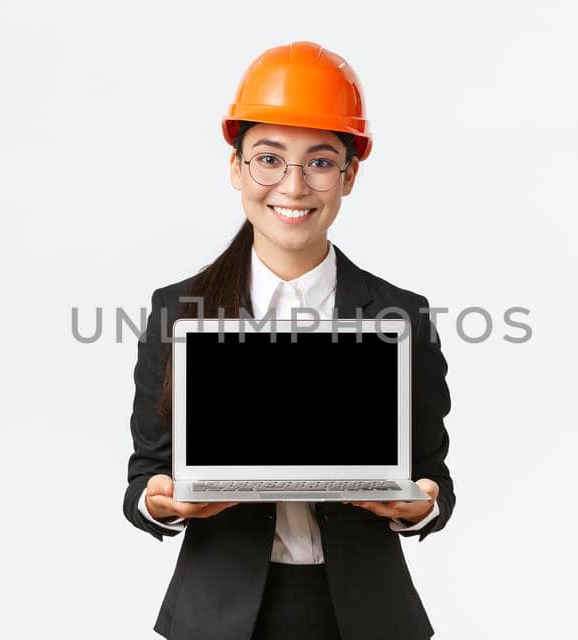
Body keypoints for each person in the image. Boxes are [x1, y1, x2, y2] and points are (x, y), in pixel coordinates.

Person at [121, 41, 457, 640]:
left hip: (365, 616)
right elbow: (144, 476)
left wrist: (421, 507)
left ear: (349, 175)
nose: (294, 186)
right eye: (269, 159)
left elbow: (433, 475)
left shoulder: (401, 315)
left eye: (321, 162)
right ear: (236, 167)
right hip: (219, 614)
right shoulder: (178, 312)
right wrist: (162, 502)